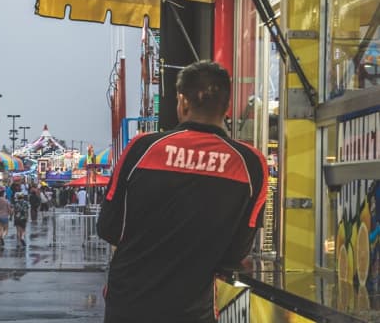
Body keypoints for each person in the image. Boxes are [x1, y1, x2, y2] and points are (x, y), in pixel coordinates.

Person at [97, 61, 268, 323]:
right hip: (192, 311)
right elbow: (235, 255)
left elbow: (108, 228)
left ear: (183, 102)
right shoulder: (251, 166)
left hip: (129, 305)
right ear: (227, 106)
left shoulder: (142, 149)